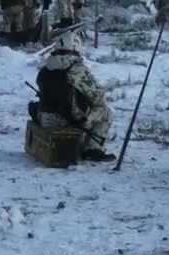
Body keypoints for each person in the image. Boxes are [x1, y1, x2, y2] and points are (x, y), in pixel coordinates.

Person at [36, 31, 115, 162]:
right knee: (105, 111)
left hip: (45, 118)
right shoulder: (77, 69)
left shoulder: (45, 69)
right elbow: (98, 97)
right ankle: (93, 150)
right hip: (68, 120)